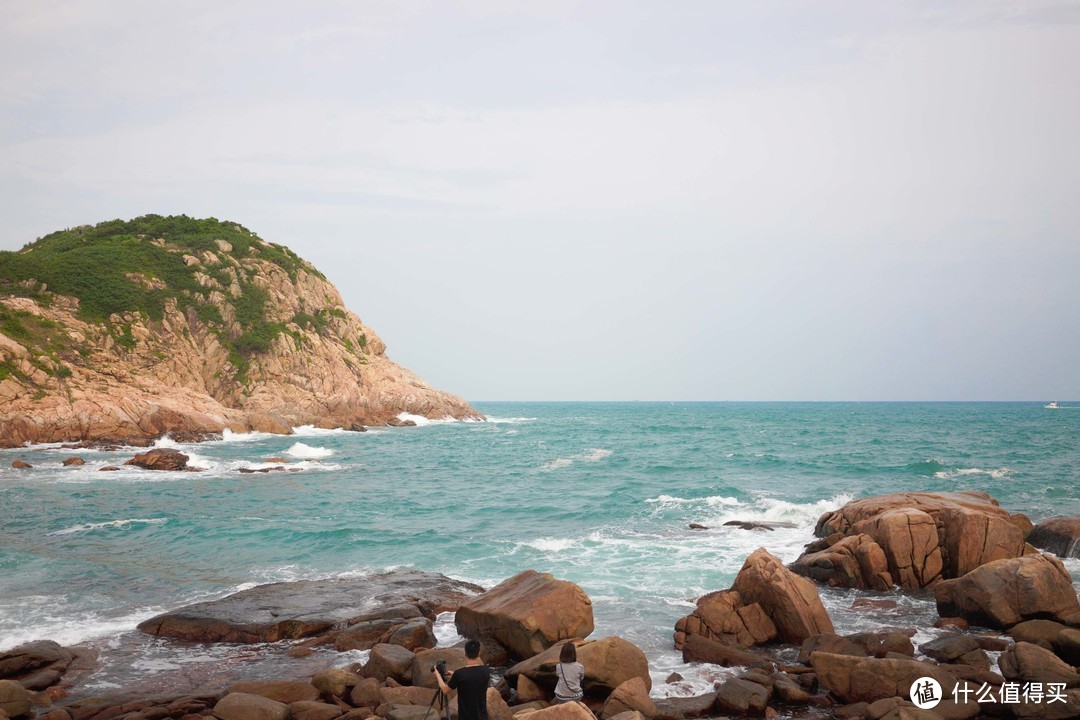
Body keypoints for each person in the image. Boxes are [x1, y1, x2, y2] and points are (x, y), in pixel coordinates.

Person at [433, 638, 490, 720]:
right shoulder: (486, 670)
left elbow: (445, 690)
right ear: (479, 653)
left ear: (465, 654)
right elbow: (473, 676)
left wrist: (437, 674)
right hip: (482, 717)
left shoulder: (459, 674)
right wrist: (454, 675)